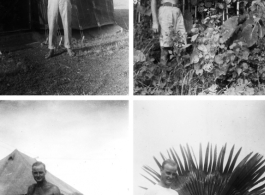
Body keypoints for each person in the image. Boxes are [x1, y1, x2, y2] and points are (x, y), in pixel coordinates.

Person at [151, 0, 187, 65]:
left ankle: (179, 71)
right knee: (165, 46)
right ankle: (163, 72)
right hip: (166, 10)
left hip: (177, 10)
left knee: (182, 43)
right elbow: (153, 1)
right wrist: (155, 21)